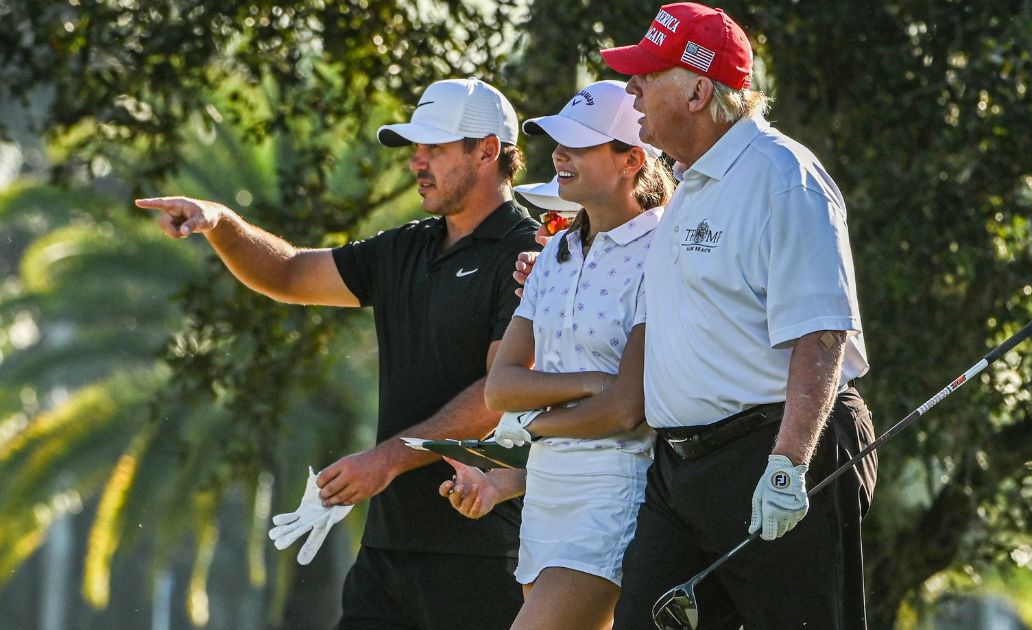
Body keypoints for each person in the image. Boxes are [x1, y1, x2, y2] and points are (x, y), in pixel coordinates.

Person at [136, 77, 537, 630]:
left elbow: (500, 391)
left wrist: (386, 460)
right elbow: (290, 272)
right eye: (414, 150)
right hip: (388, 549)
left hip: (483, 549)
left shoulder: (531, 252)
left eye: (434, 149)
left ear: (488, 150)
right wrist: (221, 222)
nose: (417, 163)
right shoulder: (405, 246)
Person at [585, 4, 878, 629]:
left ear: (697, 88)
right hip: (681, 474)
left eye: (647, 75)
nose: (630, 88)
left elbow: (823, 333)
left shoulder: (782, 176)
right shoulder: (688, 180)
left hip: (777, 452)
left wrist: (788, 465)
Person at [438, 79, 675, 630]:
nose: (558, 154)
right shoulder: (553, 256)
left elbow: (625, 411)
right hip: (545, 495)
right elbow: (501, 387)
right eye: (557, 142)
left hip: (616, 490)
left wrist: (535, 424)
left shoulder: (662, 250)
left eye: (579, 144)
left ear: (631, 160)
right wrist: (593, 383)